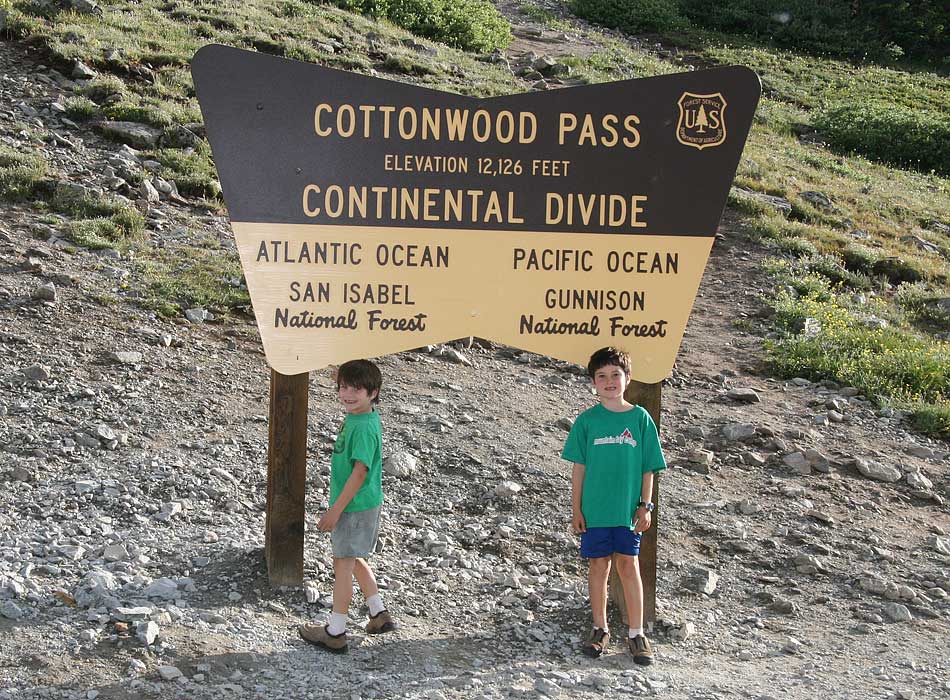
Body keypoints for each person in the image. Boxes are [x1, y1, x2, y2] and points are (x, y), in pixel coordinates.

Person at [561, 346, 667, 664]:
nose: (609, 381)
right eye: (602, 376)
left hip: (627, 512)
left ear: (627, 378)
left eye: (615, 375)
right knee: (598, 567)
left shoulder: (640, 419)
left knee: (627, 566)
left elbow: (648, 467)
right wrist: (576, 509)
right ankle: (599, 628)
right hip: (595, 511)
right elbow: (578, 468)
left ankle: (636, 633)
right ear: (593, 382)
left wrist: (645, 506)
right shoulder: (587, 421)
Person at [299, 359, 396, 653]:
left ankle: (335, 631)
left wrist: (335, 510)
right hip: (364, 503)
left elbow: (360, 472)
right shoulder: (361, 416)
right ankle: (378, 613)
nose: (348, 394)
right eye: (343, 387)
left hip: (353, 505)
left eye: (356, 389)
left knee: (342, 563)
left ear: (373, 392)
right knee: (352, 557)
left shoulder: (363, 428)